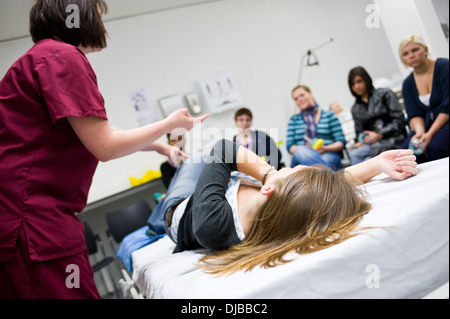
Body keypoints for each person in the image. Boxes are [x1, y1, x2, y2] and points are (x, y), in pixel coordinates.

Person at [0, 0, 208, 299]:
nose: (103, 26)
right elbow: (105, 146)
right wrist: (168, 123)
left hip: (23, 219)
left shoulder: (40, 59)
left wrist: (161, 146)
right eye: (98, 17)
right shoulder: (62, 57)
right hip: (34, 222)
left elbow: (100, 134)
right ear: (77, 17)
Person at [143, 139, 417, 277]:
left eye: (290, 168)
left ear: (268, 189)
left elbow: (222, 148)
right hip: (230, 187)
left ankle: (157, 215)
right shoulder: (283, 206)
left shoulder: (212, 224)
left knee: (190, 161)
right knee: (201, 161)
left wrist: (269, 172)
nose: (288, 167)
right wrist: (377, 163)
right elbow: (326, 189)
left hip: (182, 207)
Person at [399, 34, 449, 163]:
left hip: (446, 122)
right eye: (405, 53)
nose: (411, 55)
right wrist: (421, 134)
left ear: (426, 50)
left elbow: (447, 106)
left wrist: (430, 134)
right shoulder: (408, 83)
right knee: (406, 153)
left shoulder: (444, 67)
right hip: (425, 126)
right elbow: (414, 113)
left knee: (436, 147)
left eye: (415, 50)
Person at [347, 66, 407, 165]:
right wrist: (361, 141)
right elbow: (359, 133)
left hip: (392, 138)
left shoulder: (385, 94)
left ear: (366, 79)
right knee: (355, 155)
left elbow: (399, 121)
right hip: (371, 144)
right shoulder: (355, 109)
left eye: (359, 81)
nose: (356, 87)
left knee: (363, 160)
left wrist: (379, 134)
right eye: (353, 84)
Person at [286, 85, 346, 170]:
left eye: (302, 95)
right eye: (296, 99)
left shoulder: (329, 115)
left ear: (311, 94)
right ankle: (333, 178)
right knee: (300, 151)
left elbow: (341, 142)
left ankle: (325, 177)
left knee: (323, 162)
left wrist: (325, 148)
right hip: (301, 156)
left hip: (328, 153)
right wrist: (307, 150)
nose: (299, 99)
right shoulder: (294, 120)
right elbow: (290, 146)